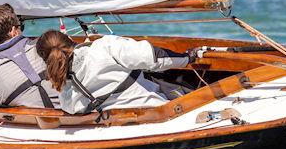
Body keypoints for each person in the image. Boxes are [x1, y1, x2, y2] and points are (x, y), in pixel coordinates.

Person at [35, 30, 196, 115]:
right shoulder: (104, 46)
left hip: (116, 125)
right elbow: (154, 58)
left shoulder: (66, 92)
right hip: (154, 110)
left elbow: (72, 109)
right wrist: (188, 58)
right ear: (68, 38)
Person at [0, 4, 60, 109]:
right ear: (12, 31)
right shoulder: (46, 45)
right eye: (20, 26)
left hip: (33, 121)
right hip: (71, 112)